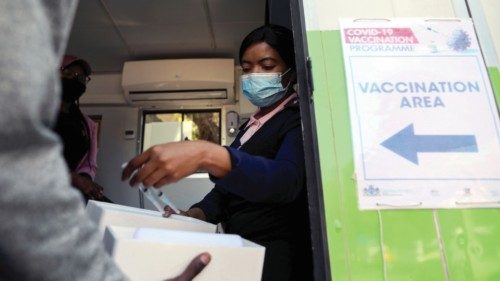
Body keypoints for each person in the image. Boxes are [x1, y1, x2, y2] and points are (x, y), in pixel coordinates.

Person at [0, 1, 209, 280]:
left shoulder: (84, 123)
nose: (77, 80)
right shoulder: (34, 108)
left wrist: (87, 182)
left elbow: (87, 164)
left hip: (65, 194)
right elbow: (17, 156)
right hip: (36, 193)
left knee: (109, 218)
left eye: (83, 78)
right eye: (70, 73)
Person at [122, 24, 313, 281]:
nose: (254, 75)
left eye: (267, 66)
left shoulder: (298, 119)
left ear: (291, 71)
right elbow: (225, 193)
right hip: (242, 246)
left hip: (279, 255)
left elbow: (287, 180)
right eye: (246, 68)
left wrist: (208, 154)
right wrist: (195, 215)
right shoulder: (251, 126)